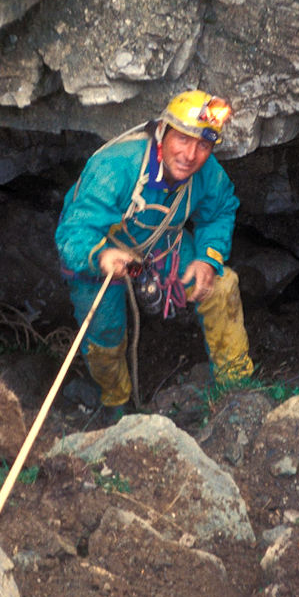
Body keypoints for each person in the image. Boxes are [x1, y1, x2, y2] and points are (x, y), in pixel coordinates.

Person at [55, 89, 254, 415]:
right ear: (162, 132)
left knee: (221, 285)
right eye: (183, 139)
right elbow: (74, 231)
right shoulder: (116, 166)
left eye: (203, 145)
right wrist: (100, 257)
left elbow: (220, 210)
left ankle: (237, 390)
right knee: (104, 333)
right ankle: (116, 404)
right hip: (101, 251)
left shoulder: (207, 172)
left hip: (160, 245)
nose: (191, 155)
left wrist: (207, 258)